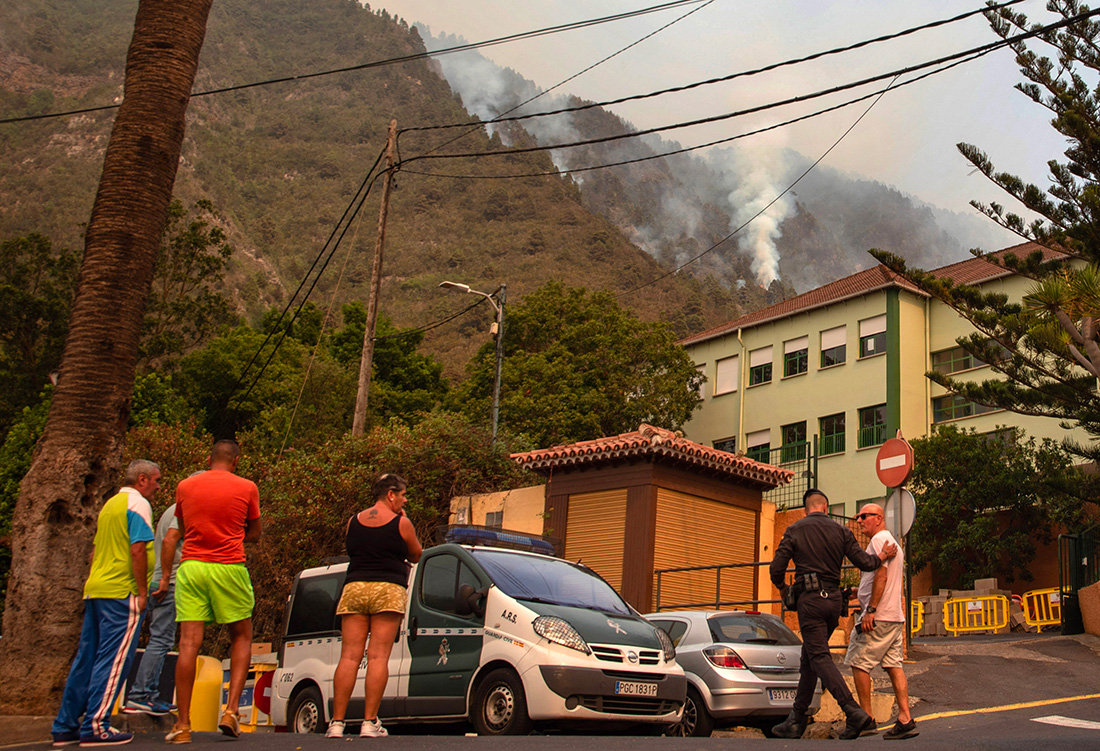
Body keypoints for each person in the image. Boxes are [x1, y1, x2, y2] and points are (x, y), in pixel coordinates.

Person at [768, 489, 897, 741]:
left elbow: (776, 569)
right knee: (810, 658)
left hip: (810, 602)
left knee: (818, 656)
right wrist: (882, 555)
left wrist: (784, 590)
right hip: (833, 603)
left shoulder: (795, 529)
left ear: (807, 509)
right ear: (826, 507)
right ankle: (795, 720)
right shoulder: (842, 531)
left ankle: (853, 711)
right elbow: (866, 563)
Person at [51, 460, 161, 748]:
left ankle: (65, 725)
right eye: (156, 481)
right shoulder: (138, 505)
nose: (159, 487)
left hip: (97, 588)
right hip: (120, 593)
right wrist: (140, 592)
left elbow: (95, 552)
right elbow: (138, 550)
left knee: (86, 659)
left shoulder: (110, 505)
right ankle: (96, 725)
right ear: (142, 479)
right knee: (112, 660)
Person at [163, 440, 261, 745]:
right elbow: (255, 533)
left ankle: (182, 724)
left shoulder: (185, 486)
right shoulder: (247, 487)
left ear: (210, 459)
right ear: (235, 461)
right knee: (242, 636)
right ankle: (231, 711)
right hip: (228, 565)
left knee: (189, 642)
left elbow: (182, 525)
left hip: (192, 566)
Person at [326, 473, 422, 739]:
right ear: (391, 494)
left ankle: (336, 723)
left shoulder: (352, 521)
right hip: (388, 589)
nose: (404, 500)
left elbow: (353, 550)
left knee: (349, 656)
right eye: (402, 495)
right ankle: (369, 722)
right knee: (378, 656)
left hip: (354, 588)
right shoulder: (401, 523)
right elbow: (416, 553)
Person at [844, 503, 918, 740]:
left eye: (864, 516)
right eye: (858, 516)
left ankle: (867, 719)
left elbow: (882, 574)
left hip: (880, 616)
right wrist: (859, 591)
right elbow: (879, 576)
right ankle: (905, 718)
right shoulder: (891, 542)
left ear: (878, 518)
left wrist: (870, 610)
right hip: (894, 617)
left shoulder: (879, 541)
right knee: (894, 665)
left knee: (858, 662)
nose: (859, 520)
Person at [123, 502, 183, 716]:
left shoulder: (171, 510)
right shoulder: (182, 509)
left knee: (160, 638)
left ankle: (148, 693)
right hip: (169, 582)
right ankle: (140, 694)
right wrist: (166, 578)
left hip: (161, 580)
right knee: (161, 639)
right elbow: (169, 541)